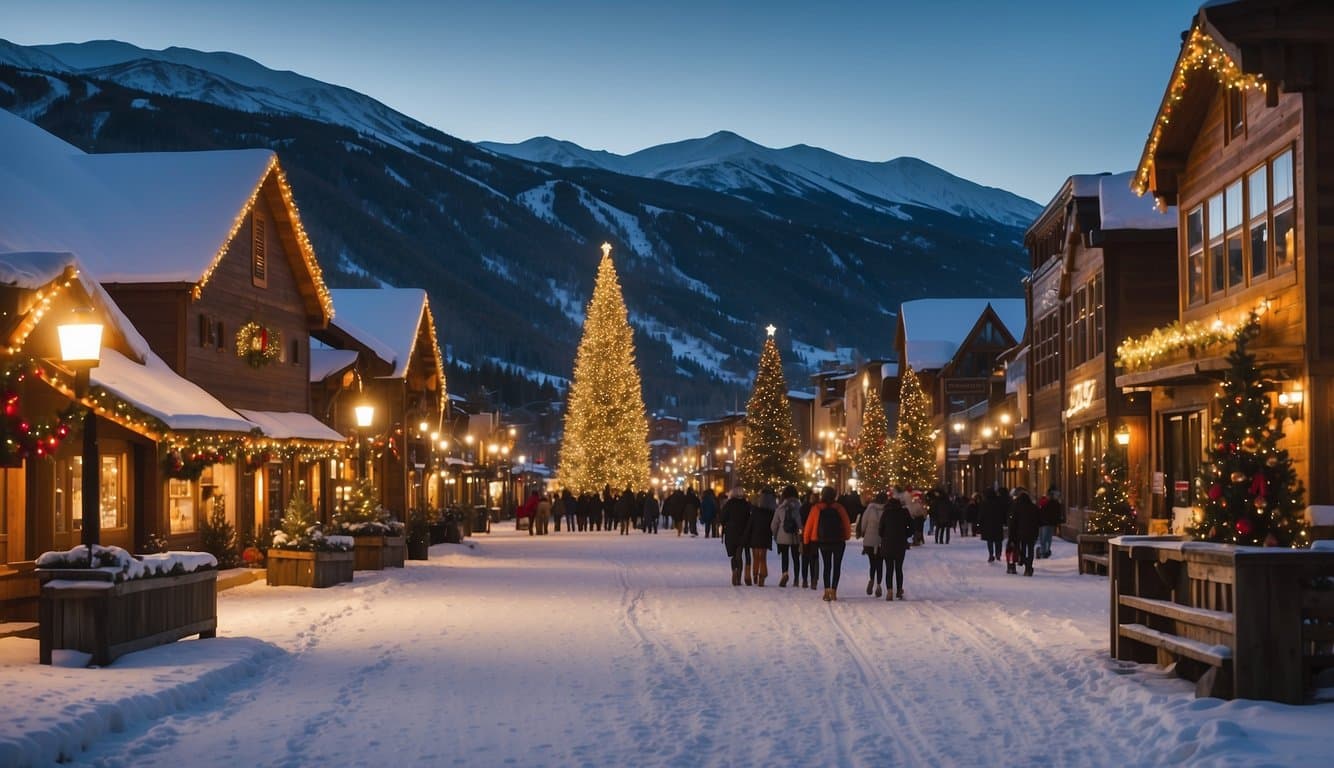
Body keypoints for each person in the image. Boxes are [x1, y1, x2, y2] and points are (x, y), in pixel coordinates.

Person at [803, 486, 851, 601]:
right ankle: (834, 590)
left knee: (826, 565)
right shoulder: (839, 508)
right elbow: (846, 524)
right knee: (837, 566)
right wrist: (846, 536)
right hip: (838, 541)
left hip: (823, 541)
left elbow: (808, 526)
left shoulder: (816, 508)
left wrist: (806, 542)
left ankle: (827, 590)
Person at [879, 496, 914, 600]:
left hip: (887, 544)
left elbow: (880, 529)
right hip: (900, 544)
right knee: (899, 568)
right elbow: (912, 526)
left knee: (889, 569)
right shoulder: (904, 512)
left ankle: (889, 591)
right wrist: (905, 534)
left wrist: (885, 536)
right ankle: (899, 590)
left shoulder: (886, 513)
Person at [770, 485, 803, 588]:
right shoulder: (799, 507)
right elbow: (800, 523)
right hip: (795, 536)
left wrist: (775, 535)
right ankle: (796, 578)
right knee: (795, 557)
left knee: (785, 556)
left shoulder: (780, 508)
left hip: (782, 536)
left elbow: (774, 524)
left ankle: (785, 573)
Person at [721, 487, 752, 586]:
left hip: (731, 532)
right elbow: (749, 518)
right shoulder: (746, 505)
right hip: (742, 532)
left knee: (733, 555)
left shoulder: (729, 504)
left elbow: (722, 518)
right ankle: (738, 575)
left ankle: (734, 569)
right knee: (739, 553)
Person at [747, 487, 777, 586]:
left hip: (755, 535)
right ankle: (762, 576)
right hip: (766, 535)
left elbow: (750, 524)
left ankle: (755, 575)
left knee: (755, 557)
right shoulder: (772, 512)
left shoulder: (755, 510)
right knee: (763, 558)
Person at [858, 491, 886, 597]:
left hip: (869, 540)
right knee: (880, 563)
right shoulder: (886, 509)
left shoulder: (870, 508)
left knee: (872, 563)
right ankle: (879, 584)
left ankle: (871, 579)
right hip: (881, 541)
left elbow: (864, 522)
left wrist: (863, 531)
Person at [1009, 487, 1040, 577]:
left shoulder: (1017, 508)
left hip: (1021, 533)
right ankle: (1029, 567)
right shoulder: (1034, 507)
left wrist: (1013, 532)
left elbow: (1014, 521)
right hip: (1032, 533)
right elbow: (1038, 520)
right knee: (1030, 550)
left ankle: (1024, 561)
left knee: (1022, 548)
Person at [979, 488, 1008, 563]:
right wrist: (1004, 521)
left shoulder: (985, 503)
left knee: (990, 541)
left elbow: (982, 514)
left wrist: (980, 523)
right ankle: (998, 554)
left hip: (988, 525)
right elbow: (1003, 512)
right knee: (998, 540)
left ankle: (991, 554)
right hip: (997, 524)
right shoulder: (999, 502)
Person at [800, 489, 820, 590]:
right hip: (816, 537)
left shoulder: (804, 508)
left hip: (805, 535)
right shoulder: (819, 508)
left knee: (805, 558)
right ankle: (814, 579)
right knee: (814, 559)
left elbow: (801, 522)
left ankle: (804, 580)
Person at [1037, 487, 1064, 558]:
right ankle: (1046, 551)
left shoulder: (1045, 502)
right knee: (1047, 538)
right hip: (1049, 523)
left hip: (1044, 523)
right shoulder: (1055, 503)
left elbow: (1040, 512)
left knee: (1044, 538)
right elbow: (1057, 514)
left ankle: (1044, 551)